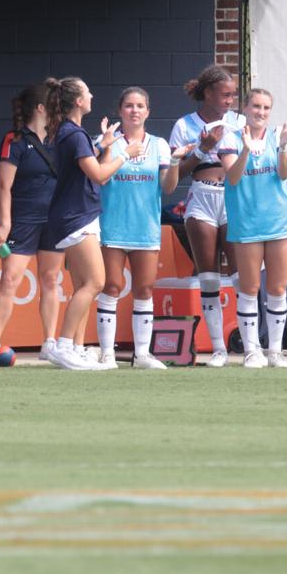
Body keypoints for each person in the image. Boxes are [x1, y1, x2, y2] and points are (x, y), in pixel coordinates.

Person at [45, 76, 141, 370]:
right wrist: (126, 153)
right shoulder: (73, 135)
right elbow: (99, 175)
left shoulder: (73, 133)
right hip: (76, 216)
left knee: (82, 286)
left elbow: (97, 169)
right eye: (87, 92)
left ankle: (74, 346)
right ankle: (62, 346)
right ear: (77, 101)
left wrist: (108, 146)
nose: (91, 95)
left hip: (78, 214)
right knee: (96, 282)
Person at [95, 87, 190, 370]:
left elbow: (168, 188)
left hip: (145, 227)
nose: (134, 111)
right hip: (112, 224)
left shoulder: (159, 144)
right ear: (120, 110)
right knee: (111, 285)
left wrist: (174, 161)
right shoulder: (106, 140)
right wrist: (112, 149)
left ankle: (142, 355)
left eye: (139, 106)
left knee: (144, 289)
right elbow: (98, 177)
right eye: (129, 106)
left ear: (148, 111)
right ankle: (106, 354)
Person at [0, 83, 64, 363]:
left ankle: (50, 342)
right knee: (10, 279)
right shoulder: (14, 140)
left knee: (51, 279)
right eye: (54, 103)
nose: (59, 109)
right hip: (23, 219)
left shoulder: (61, 137)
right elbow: (4, 186)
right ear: (41, 108)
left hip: (54, 219)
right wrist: (4, 224)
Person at [168, 66, 244, 367]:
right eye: (225, 95)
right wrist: (202, 149)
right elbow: (178, 172)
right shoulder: (184, 125)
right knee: (209, 276)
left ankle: (251, 345)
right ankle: (218, 349)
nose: (230, 101)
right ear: (208, 93)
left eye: (233, 95)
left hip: (234, 198)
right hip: (201, 195)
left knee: (242, 275)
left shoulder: (239, 122)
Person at [217, 89, 287, 369]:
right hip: (247, 223)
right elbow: (234, 177)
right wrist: (247, 150)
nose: (260, 112)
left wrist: (284, 148)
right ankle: (252, 350)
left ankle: (275, 351)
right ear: (245, 108)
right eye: (255, 106)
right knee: (250, 289)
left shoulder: (277, 136)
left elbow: (285, 173)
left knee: (277, 288)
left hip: (278, 223)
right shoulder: (232, 138)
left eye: (265, 108)